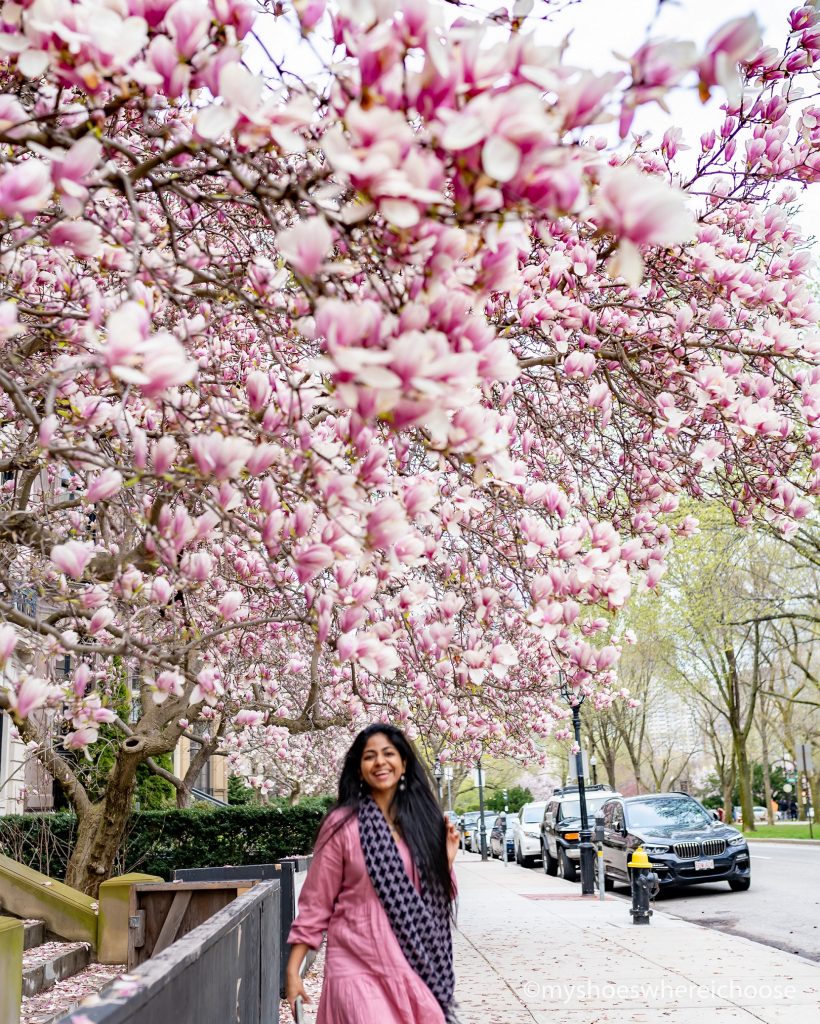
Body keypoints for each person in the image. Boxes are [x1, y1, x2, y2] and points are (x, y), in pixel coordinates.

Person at [284, 724, 461, 1024]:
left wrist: (445, 861)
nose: (380, 762)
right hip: (355, 964)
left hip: (410, 964)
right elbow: (316, 903)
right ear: (359, 768)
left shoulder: (424, 825)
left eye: (388, 753)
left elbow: (434, 899)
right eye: (370, 756)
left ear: (403, 763)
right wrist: (293, 971)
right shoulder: (341, 825)